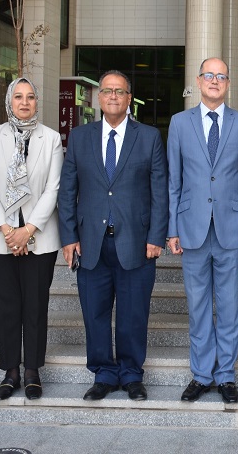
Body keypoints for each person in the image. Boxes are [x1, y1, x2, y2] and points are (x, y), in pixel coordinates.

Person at [59, 70, 168, 402]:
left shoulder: (148, 137)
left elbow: (159, 192)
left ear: (129, 97)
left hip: (136, 241)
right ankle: (104, 374)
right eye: (107, 91)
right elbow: (67, 191)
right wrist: (68, 237)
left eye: (120, 92)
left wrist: (157, 237)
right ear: (99, 97)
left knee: (134, 313)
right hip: (91, 242)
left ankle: (132, 374)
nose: (113, 96)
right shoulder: (80, 137)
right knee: (95, 312)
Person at [167, 58, 238, 404]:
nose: (215, 81)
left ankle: (226, 375)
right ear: (199, 81)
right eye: (209, 75)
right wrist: (172, 228)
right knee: (198, 305)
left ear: (228, 84)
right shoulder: (179, 123)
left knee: (229, 305)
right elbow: (175, 179)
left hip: (231, 228)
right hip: (192, 227)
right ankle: (201, 375)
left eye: (221, 76)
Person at [0, 78, 63, 401]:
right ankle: (10, 371)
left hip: (39, 238)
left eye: (29, 97)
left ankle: (32, 372)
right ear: (8, 102)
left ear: (37, 102)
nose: (24, 102)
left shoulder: (51, 138)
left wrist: (28, 230)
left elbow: (53, 188)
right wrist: (7, 229)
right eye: (18, 97)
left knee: (36, 306)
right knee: (7, 305)